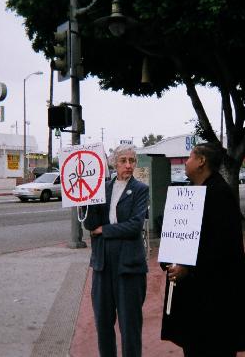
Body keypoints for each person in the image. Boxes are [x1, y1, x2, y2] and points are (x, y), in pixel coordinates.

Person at [160, 142, 245, 356]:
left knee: (214, 348)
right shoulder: (191, 192)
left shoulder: (219, 193)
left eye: (189, 157)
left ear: (201, 161)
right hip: (195, 301)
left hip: (215, 302)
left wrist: (188, 268)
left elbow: (223, 246)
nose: (185, 163)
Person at [83, 144, 149, 357]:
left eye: (132, 161)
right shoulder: (101, 188)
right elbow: (90, 226)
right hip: (102, 264)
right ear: (114, 163)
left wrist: (105, 229)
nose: (128, 166)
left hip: (128, 265)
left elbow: (135, 226)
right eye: (124, 161)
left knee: (130, 325)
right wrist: (87, 200)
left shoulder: (140, 189)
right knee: (103, 322)